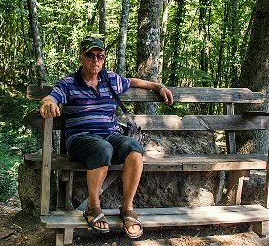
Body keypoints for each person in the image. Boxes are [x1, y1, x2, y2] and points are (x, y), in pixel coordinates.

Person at [39, 37, 173, 239]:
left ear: (104, 58)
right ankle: (92, 207)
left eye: (99, 56)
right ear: (81, 58)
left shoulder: (110, 79)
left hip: (110, 135)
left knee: (134, 149)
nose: (95, 60)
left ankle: (127, 208)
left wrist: (158, 86)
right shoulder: (68, 83)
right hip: (80, 139)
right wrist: (48, 102)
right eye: (90, 55)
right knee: (103, 149)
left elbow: (132, 81)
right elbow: (52, 97)